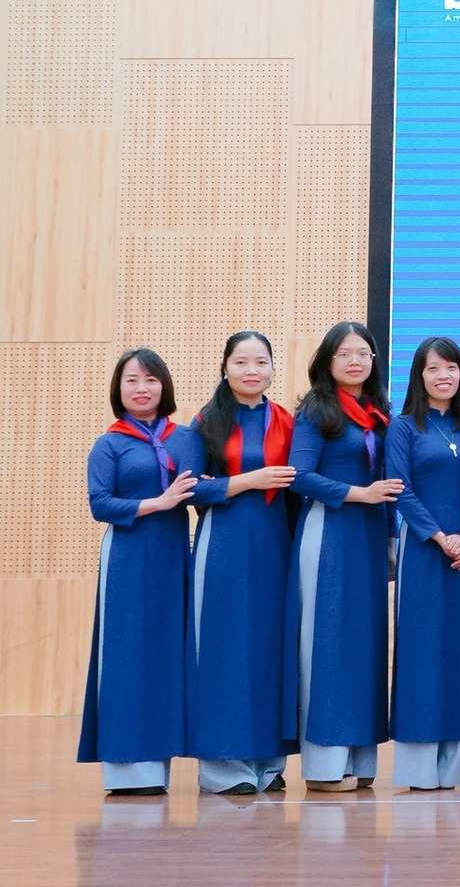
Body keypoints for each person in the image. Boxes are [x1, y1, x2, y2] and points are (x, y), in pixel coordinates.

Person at [180, 332, 297, 796]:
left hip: (275, 542)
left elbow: (298, 486)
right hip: (224, 544)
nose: (252, 370)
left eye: (261, 362)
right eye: (242, 362)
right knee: (225, 648)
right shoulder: (206, 421)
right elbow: (191, 489)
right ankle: (224, 766)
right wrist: (249, 480)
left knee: (270, 648)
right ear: (225, 368)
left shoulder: (286, 421)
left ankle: (268, 761)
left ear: (272, 368)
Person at [288, 320, 400, 792]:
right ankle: (323, 765)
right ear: (327, 361)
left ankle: (360, 758)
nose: (355, 361)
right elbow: (298, 476)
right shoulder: (317, 410)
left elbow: (389, 486)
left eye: (363, 354)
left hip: (370, 539)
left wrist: (391, 540)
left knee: (364, 647)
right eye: (344, 354)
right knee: (327, 644)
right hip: (329, 534)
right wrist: (359, 493)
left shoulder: (380, 413)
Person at [79, 349, 197, 795]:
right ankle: (128, 770)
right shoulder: (109, 443)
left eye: (150, 379)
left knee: (166, 657)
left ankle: (159, 765)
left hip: (173, 556)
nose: (141, 388)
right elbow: (100, 504)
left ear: (164, 386)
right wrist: (159, 503)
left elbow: (203, 487)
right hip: (128, 556)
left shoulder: (185, 438)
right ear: (119, 389)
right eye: (131, 380)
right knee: (127, 654)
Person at [386, 337, 460, 790]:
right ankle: (420, 768)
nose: (443, 375)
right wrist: (440, 537)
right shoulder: (404, 427)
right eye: (433, 368)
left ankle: (456, 769)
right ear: (419, 376)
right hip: (424, 552)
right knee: (421, 651)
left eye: (451, 367)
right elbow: (399, 488)